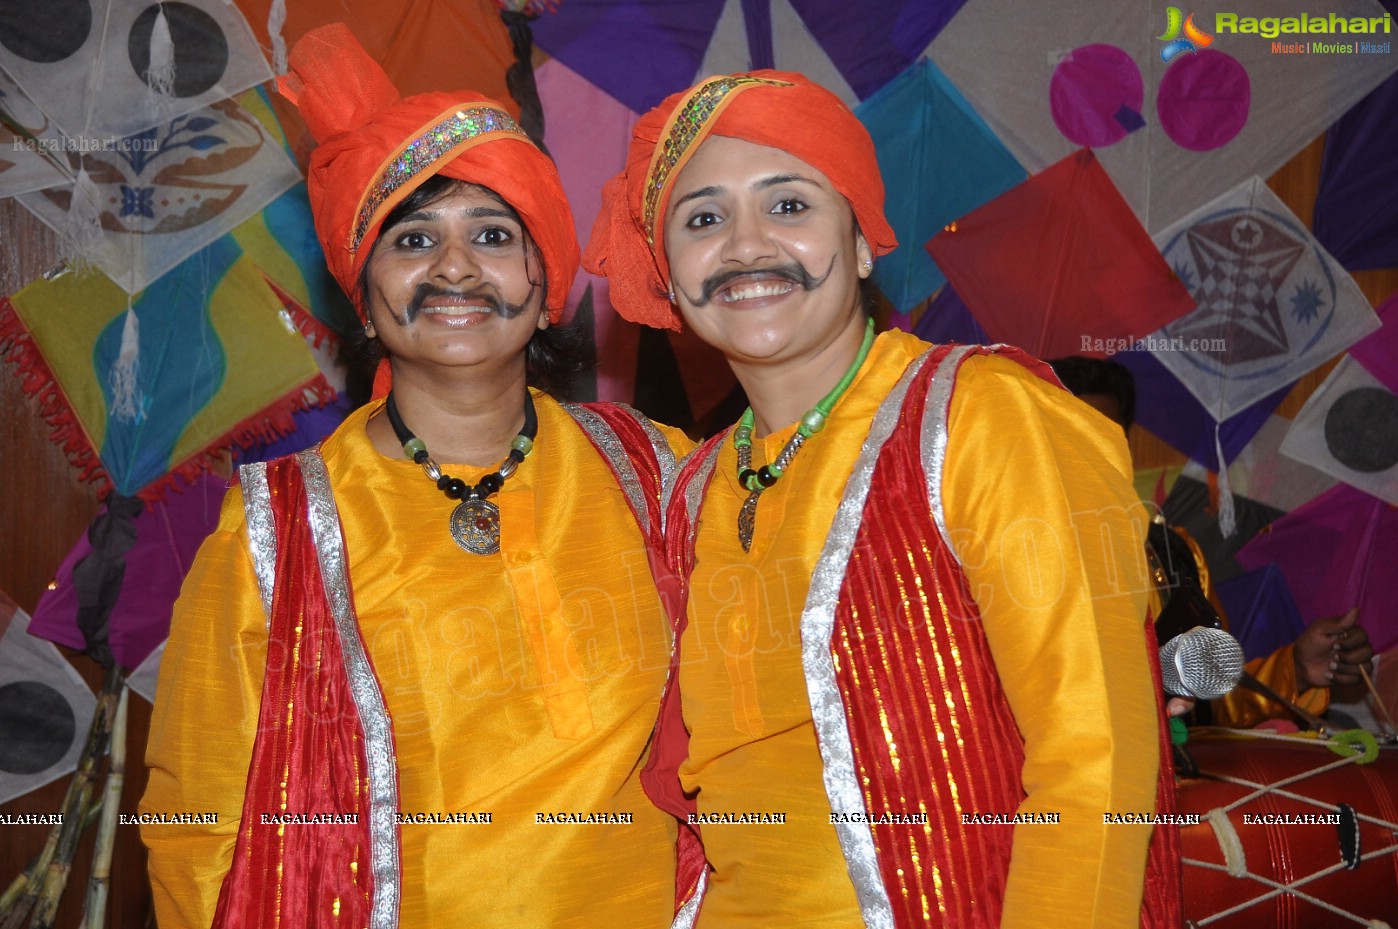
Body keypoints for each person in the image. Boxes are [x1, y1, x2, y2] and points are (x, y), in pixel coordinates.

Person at [585, 71, 1181, 929]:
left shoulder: (980, 416)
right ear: (669, 277)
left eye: (788, 205)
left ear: (862, 244)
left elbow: (1099, 754)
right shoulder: (693, 489)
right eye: (704, 219)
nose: (747, 245)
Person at [140, 25, 685, 929]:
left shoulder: (652, 472)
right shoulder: (277, 530)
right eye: (414, 237)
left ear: (543, 276)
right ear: (364, 288)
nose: (455, 267)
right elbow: (194, 823)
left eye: (493, 233)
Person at [1049, 355, 1375, 729]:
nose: (1091, 454)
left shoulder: (1175, 555)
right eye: (1069, 435)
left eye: (1106, 436)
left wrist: (1296, 668)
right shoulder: (991, 560)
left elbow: (1210, 704)